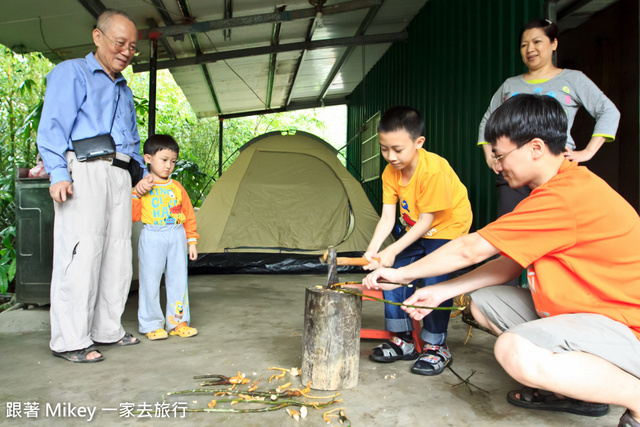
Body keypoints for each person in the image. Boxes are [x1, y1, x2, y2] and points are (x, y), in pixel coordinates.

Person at [364, 94, 640, 426]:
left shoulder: (564, 197)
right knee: (482, 304)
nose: (496, 164)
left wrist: (401, 274)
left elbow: (471, 249)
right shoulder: (549, 192)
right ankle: (574, 389)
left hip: (623, 328)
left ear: (535, 148)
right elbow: (509, 263)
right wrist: (439, 291)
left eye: (500, 155)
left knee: (514, 351)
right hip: (586, 313)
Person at [37, 9, 154, 363]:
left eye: (132, 47)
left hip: (119, 176)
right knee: (80, 254)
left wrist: (136, 175)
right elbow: (53, 125)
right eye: (120, 42)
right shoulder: (72, 73)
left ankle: (107, 329)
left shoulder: (124, 88)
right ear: (98, 37)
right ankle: (70, 340)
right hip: (84, 170)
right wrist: (58, 172)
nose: (127, 51)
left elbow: (130, 140)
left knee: (117, 256)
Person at [362, 106, 472, 376]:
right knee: (390, 273)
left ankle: (436, 346)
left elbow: (427, 221)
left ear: (418, 142)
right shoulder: (390, 172)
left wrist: (393, 249)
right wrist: (373, 250)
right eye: (384, 149)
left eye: (397, 149)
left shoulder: (434, 170)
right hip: (416, 229)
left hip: (447, 228)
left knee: (434, 277)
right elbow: (388, 216)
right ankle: (404, 340)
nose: (390, 156)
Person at [478, 18, 620, 218]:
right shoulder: (510, 85)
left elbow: (608, 111)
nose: (530, 49)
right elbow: (487, 121)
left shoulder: (573, 79)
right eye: (524, 45)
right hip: (515, 171)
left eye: (537, 42)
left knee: (553, 228)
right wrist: (490, 157)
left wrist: (588, 151)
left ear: (553, 43)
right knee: (513, 230)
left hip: (554, 170)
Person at [132, 135, 199, 340]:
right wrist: (135, 193)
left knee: (178, 280)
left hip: (177, 234)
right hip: (153, 235)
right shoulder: (143, 187)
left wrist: (192, 241)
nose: (169, 166)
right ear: (148, 158)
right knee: (150, 280)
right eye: (164, 160)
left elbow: (188, 215)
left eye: (173, 161)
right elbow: (133, 216)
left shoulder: (177, 187)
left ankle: (178, 321)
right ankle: (151, 324)